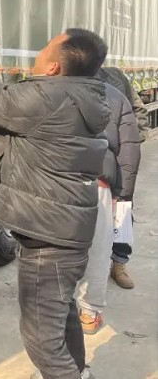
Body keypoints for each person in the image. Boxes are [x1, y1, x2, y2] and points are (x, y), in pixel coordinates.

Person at [0, 28, 110, 379]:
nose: (39, 53)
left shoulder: (46, 98)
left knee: (42, 342)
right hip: (63, 232)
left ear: (54, 67)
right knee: (62, 316)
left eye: (45, 49)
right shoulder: (82, 96)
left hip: (49, 239)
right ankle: (79, 372)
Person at [75, 81, 141, 334]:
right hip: (97, 181)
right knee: (98, 249)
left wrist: (122, 195)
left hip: (70, 181)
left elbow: (129, 144)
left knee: (81, 248)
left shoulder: (46, 89)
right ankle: (88, 313)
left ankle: (119, 264)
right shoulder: (113, 93)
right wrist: (122, 194)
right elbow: (130, 149)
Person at [97, 66, 149, 289]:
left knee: (122, 210)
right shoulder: (71, 75)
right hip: (89, 162)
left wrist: (134, 139)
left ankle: (119, 263)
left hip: (118, 160)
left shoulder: (116, 77)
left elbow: (137, 108)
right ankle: (90, 265)